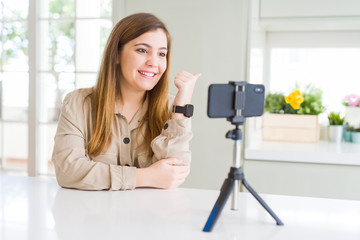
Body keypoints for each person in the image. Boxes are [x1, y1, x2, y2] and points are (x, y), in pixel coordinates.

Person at [51, 13, 201, 191]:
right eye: (142, 50)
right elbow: (68, 171)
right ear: (115, 55)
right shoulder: (78, 103)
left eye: (162, 54)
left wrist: (181, 107)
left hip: (150, 216)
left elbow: (173, 175)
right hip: (93, 216)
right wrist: (146, 176)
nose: (154, 62)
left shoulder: (171, 109)